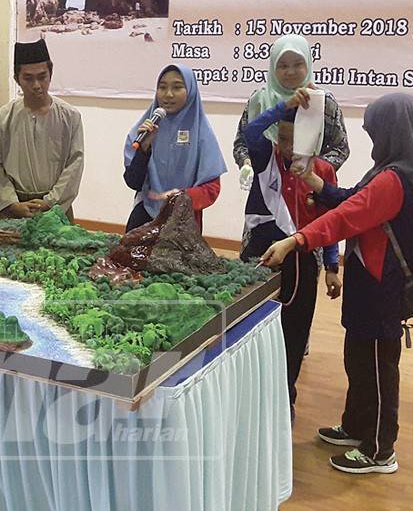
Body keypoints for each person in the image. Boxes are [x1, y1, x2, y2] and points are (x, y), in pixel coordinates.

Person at [262, 92, 413, 475]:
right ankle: (356, 426)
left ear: (393, 131)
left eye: (376, 130)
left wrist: (295, 240)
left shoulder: (396, 179)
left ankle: (380, 449)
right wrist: (315, 180)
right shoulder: (385, 170)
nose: (373, 138)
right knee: (359, 357)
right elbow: (349, 197)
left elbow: (347, 216)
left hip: (384, 286)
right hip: (367, 281)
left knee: (379, 367)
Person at [240, 84, 342, 422]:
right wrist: (282, 107)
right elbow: (250, 129)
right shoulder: (265, 156)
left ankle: (286, 396)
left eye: (297, 140)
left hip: (302, 264)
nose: (289, 147)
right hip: (259, 258)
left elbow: (331, 222)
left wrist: (331, 264)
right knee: (252, 330)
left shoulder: (322, 172)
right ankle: (251, 392)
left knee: (294, 334)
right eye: (284, 138)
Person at [233, 34, 349, 190]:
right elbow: (242, 142)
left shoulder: (323, 101)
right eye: (283, 66)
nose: (290, 71)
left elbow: (340, 148)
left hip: (311, 192)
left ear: (308, 64)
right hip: (268, 191)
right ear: (273, 66)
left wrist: (311, 169)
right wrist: (246, 162)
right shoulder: (259, 99)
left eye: (298, 64)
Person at [0, 39, 83, 220]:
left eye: (42, 76)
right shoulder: (2, 118)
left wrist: (50, 201)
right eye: (28, 78)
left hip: (56, 209)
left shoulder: (70, 116)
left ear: (50, 73)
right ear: (17, 78)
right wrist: (12, 204)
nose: (37, 85)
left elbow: (75, 164)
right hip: (16, 209)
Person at [123, 63, 226, 232]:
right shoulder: (144, 129)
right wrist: (144, 149)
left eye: (177, 87)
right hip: (145, 215)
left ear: (191, 91)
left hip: (184, 221)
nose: (168, 94)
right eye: (162, 87)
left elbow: (211, 189)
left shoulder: (202, 135)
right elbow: (133, 182)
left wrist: (180, 198)